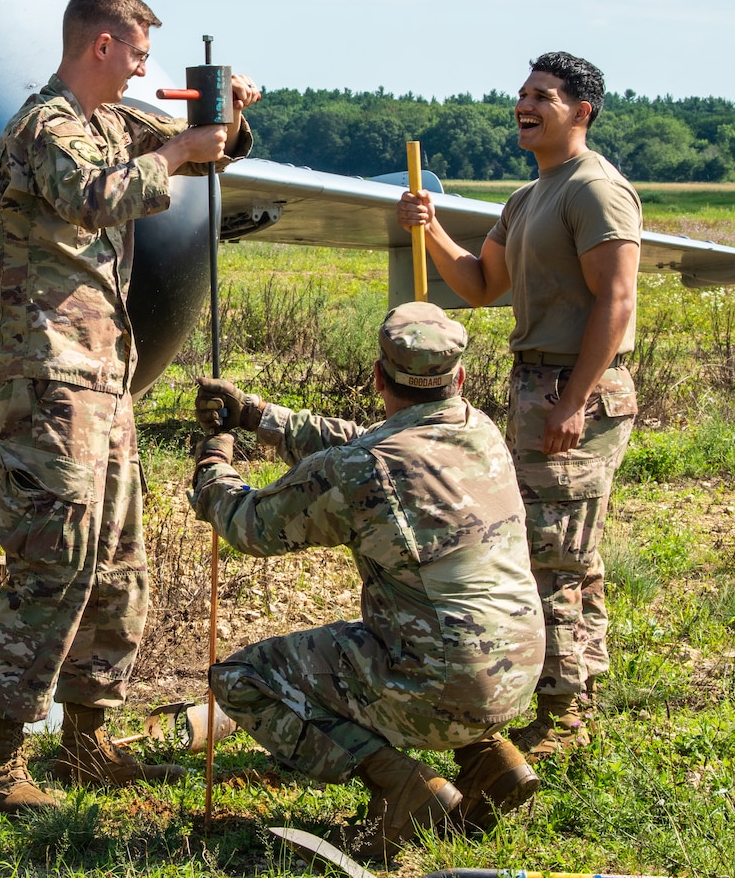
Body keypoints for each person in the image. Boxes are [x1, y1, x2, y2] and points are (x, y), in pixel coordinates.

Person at [0, 0, 261, 812]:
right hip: (48, 365)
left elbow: (202, 147)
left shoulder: (113, 122)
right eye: (136, 54)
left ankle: (85, 736)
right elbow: (97, 196)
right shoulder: (48, 127)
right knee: (53, 555)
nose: (142, 72)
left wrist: (227, 116)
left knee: (119, 560)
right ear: (101, 45)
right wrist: (179, 153)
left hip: (103, 372)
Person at [191, 303, 545, 861]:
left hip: (442, 683)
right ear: (459, 379)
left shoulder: (359, 469)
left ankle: (404, 790)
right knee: (433, 628)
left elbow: (250, 525)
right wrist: (259, 416)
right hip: (519, 674)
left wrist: (213, 461)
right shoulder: (482, 431)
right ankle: (491, 761)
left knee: (241, 678)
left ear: (377, 377)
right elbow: (367, 441)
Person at [396, 52, 640, 761]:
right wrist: (431, 225)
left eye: (544, 97)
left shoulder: (595, 190)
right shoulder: (528, 197)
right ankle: (576, 689)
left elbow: (615, 301)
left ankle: (563, 715)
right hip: (537, 385)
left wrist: (576, 399)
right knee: (565, 551)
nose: (525, 106)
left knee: (551, 555)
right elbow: (478, 283)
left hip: (573, 388)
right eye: (523, 95)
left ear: (582, 111)